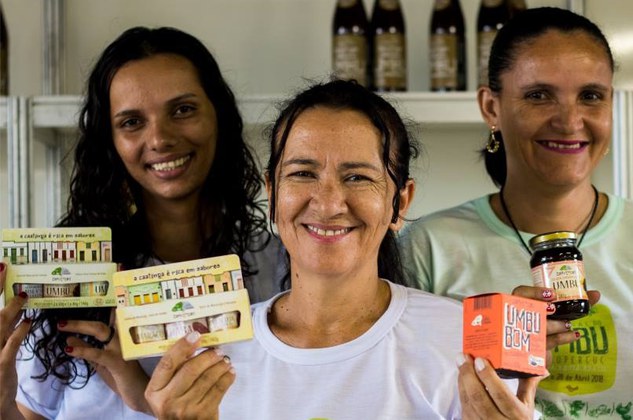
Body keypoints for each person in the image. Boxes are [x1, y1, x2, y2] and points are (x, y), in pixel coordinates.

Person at [142, 79, 555, 419]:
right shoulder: (209, 359)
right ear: (272, 193)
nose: (328, 203)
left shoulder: (462, 349)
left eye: (357, 177)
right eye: (302, 173)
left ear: (401, 203)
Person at [1, 26, 284, 419]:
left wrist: (140, 394)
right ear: (110, 141)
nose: (160, 138)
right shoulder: (74, 281)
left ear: (218, 115)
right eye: (132, 122)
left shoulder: (283, 268)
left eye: (182, 109)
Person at [398, 7, 632, 418]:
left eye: (591, 96)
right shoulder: (428, 248)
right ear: (491, 107)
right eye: (539, 95)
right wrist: (501, 360)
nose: (569, 120)